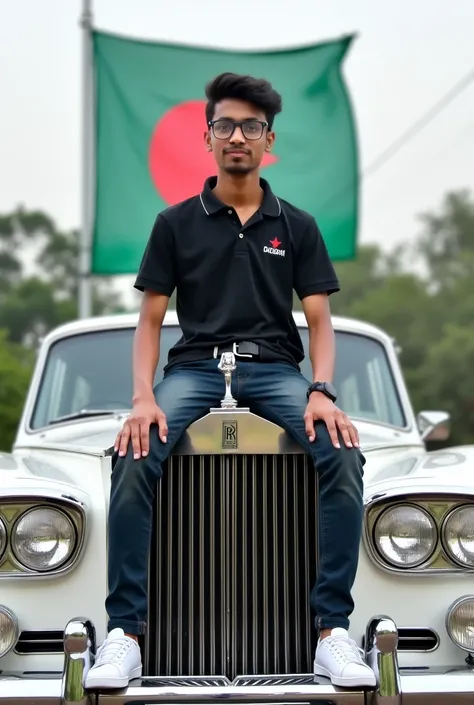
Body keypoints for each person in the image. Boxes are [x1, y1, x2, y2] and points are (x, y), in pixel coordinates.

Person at [85, 72, 376, 691]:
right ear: (208, 137)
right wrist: (141, 398)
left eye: (250, 126)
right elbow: (150, 319)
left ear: (268, 140)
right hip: (193, 367)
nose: (237, 135)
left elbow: (320, 320)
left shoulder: (295, 225)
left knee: (344, 451)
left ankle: (331, 631)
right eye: (225, 125)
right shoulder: (175, 222)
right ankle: (125, 635)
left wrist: (322, 389)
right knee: (132, 450)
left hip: (275, 369)